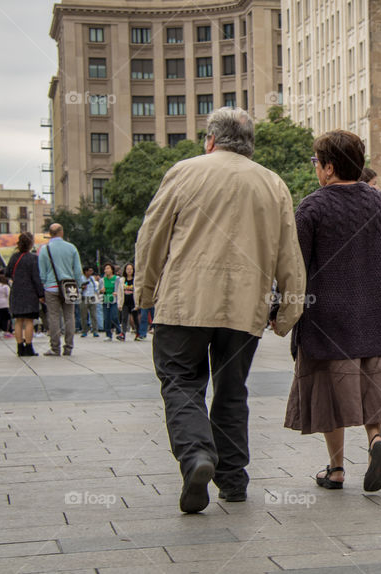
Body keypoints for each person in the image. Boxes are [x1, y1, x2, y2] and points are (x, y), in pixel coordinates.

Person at [135, 107, 306, 513]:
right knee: (232, 391)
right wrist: (289, 312)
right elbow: (289, 254)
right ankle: (233, 480)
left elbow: (151, 237)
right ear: (249, 145)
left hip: (184, 302)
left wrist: (143, 294)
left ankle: (197, 456)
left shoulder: (184, 172)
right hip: (245, 308)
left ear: (210, 139)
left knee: (180, 382)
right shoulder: (273, 184)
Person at [284, 129, 381, 494]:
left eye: (317, 162)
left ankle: (335, 469)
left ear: (330, 168)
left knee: (331, 394)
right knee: (372, 385)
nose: (316, 168)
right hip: (379, 315)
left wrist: (281, 311)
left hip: (328, 321)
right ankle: (376, 441)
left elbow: (296, 269)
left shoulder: (312, 207)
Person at [38, 223, 84, 357]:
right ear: (61, 232)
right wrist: (78, 286)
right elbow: (77, 270)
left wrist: (45, 284)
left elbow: (42, 272)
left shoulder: (44, 249)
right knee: (69, 317)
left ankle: (55, 348)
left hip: (51, 288)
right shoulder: (71, 248)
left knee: (53, 317)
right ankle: (68, 347)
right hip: (69, 287)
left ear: (50, 233)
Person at [5, 232, 43, 356]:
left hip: (16, 291)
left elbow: (7, 273)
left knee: (18, 321)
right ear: (31, 244)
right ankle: (29, 347)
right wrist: (41, 294)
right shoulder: (33, 258)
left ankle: (19, 347)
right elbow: (36, 278)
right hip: (30, 293)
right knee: (29, 321)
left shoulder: (14, 257)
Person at [117, 263, 141, 341]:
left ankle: (138, 333)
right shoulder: (122, 280)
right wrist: (119, 303)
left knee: (135, 319)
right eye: (128, 269)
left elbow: (138, 291)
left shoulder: (136, 280)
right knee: (124, 319)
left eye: (131, 269)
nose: (129, 270)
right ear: (125, 270)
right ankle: (123, 334)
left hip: (133, 302)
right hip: (125, 302)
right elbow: (120, 292)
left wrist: (138, 303)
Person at [99, 263, 122, 341]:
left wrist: (116, 293)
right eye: (105, 269)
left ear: (112, 270)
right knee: (106, 318)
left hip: (114, 300)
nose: (106, 270)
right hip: (106, 300)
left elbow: (118, 288)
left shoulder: (116, 278)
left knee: (114, 316)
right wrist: (101, 291)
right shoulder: (102, 280)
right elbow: (100, 291)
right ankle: (108, 334)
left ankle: (119, 331)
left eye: (108, 268)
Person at [79, 267, 101, 337]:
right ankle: (84, 331)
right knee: (84, 316)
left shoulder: (92, 279)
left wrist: (97, 293)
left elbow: (95, 287)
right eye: (89, 271)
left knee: (93, 315)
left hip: (92, 297)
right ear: (85, 272)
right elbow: (77, 289)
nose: (91, 272)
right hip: (84, 297)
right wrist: (82, 288)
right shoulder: (81, 279)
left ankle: (95, 331)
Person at [0, 272, 12, 339]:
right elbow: (8, 295)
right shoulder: (5, 286)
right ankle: (6, 332)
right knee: (6, 318)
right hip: (4, 304)